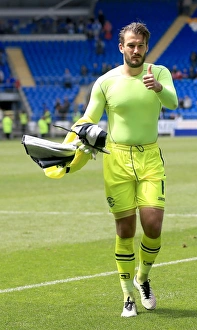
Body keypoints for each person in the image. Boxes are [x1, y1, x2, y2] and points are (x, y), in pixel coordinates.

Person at [66, 22, 178, 317]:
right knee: (125, 230)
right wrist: (82, 134)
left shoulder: (160, 73)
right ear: (121, 47)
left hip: (150, 158)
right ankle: (128, 294)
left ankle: (143, 277)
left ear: (146, 47)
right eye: (131, 45)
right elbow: (88, 116)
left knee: (153, 224)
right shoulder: (105, 82)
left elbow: (174, 102)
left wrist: (159, 88)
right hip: (116, 160)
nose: (136, 50)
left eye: (141, 45)